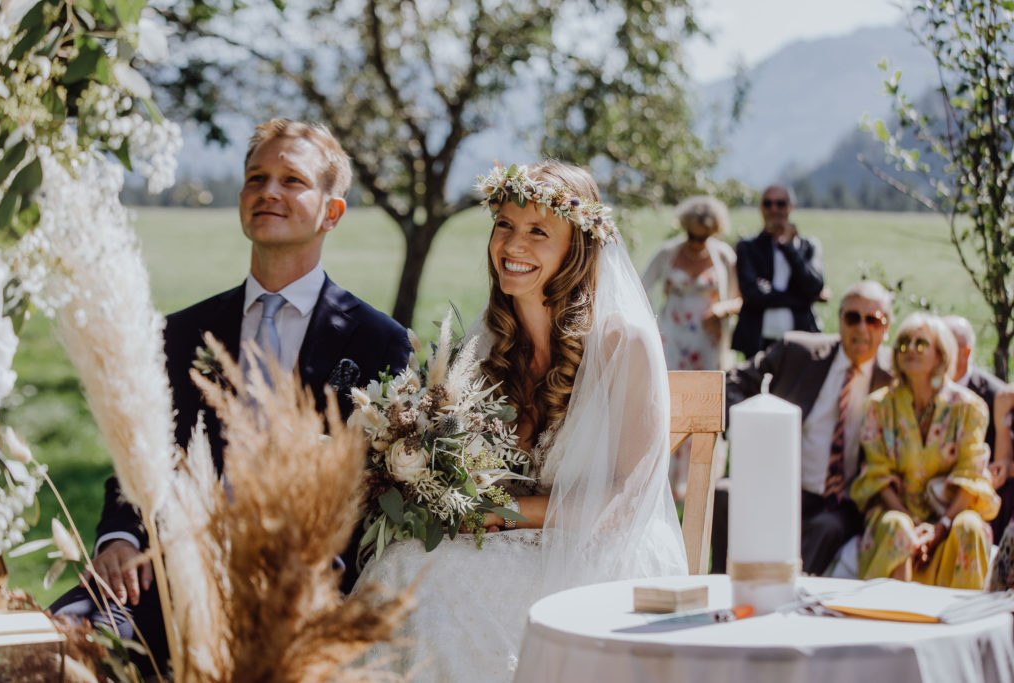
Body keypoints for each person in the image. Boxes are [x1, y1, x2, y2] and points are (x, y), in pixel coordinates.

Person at [51, 118, 411, 672]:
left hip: (299, 590)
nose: (269, 191)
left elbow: (377, 490)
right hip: (166, 573)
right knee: (55, 643)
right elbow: (141, 453)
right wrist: (117, 539)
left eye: (292, 180)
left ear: (331, 212)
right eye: (256, 178)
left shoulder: (376, 341)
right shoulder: (181, 332)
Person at [358, 161, 687, 682]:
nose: (514, 245)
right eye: (505, 225)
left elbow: (625, 502)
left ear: (576, 246)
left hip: (599, 561)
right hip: (509, 548)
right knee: (402, 565)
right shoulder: (488, 343)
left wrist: (506, 512)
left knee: (416, 580)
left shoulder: (624, 344)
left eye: (538, 231)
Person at [711, 281, 894, 575]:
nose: (862, 328)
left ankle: (792, 594)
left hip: (837, 502)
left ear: (885, 329)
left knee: (828, 528)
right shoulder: (799, 352)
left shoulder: (894, 378)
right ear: (840, 319)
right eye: (852, 317)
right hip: (778, 483)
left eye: (872, 320)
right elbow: (731, 384)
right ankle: (724, 587)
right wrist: (747, 431)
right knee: (725, 494)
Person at [851, 313, 999, 589]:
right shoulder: (879, 406)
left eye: (921, 344)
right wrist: (914, 525)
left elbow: (971, 477)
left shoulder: (968, 407)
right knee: (897, 526)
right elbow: (877, 475)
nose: (910, 350)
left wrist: (940, 526)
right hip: (897, 512)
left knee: (969, 526)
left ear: (940, 355)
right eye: (904, 343)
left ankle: (964, 623)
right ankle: (893, 619)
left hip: (950, 516)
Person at [640, 195, 740, 500]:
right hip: (673, 338)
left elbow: (738, 298)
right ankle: (664, 483)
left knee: (704, 407)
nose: (697, 242)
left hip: (708, 344)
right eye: (692, 235)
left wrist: (722, 310)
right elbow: (640, 289)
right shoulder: (667, 253)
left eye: (704, 236)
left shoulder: (723, 257)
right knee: (670, 406)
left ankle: (701, 482)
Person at [731, 185, 826, 358]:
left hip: (801, 340)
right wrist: (800, 299)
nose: (774, 209)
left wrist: (789, 248)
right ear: (761, 208)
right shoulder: (748, 247)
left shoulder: (808, 247)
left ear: (791, 207)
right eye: (768, 204)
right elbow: (752, 293)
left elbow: (814, 286)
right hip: (758, 341)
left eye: (780, 204)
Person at [942, 315, 1014, 535]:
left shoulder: (991, 395)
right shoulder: (920, 386)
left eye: (946, 347)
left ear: (966, 352)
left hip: (972, 494)